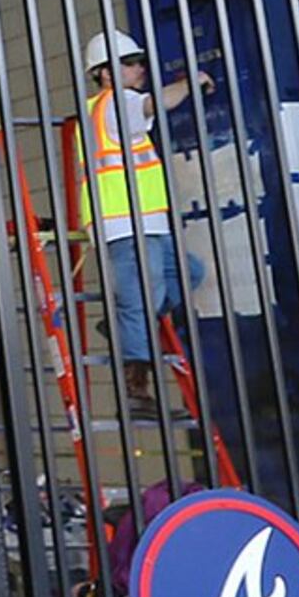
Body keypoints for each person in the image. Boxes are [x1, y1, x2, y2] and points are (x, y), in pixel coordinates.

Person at [71, 31, 206, 407]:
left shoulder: (107, 108)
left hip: (148, 222)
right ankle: (136, 387)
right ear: (105, 74)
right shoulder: (117, 103)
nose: (139, 68)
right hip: (125, 224)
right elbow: (156, 104)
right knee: (141, 300)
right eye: (130, 64)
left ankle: (127, 329)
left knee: (187, 274)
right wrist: (190, 82)